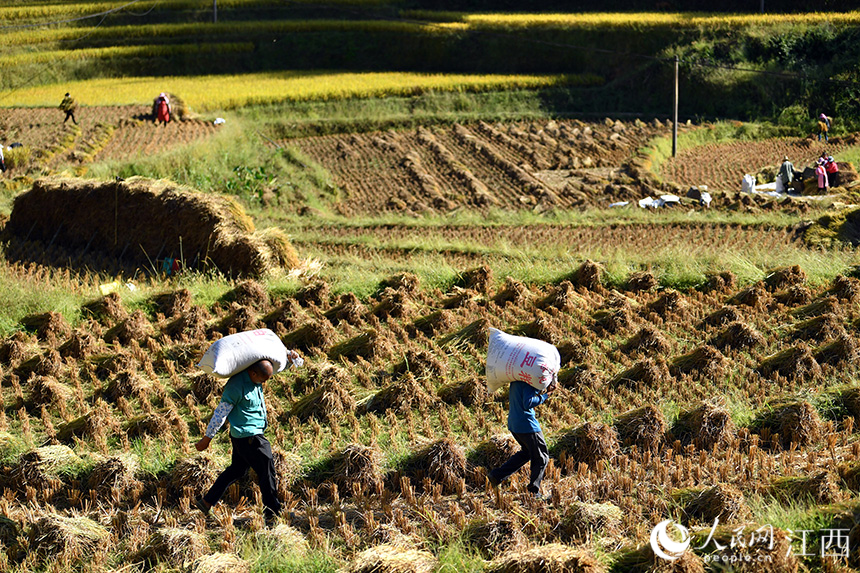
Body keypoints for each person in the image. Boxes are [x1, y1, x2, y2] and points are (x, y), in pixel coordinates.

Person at [195, 358, 287, 525]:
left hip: (244, 436)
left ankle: (207, 502)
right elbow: (220, 414)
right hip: (249, 437)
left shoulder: (256, 376)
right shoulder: (235, 387)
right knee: (267, 471)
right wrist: (207, 438)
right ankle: (273, 513)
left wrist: (290, 358)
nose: (265, 383)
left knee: (237, 470)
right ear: (253, 373)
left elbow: (272, 368)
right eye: (263, 379)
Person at [488, 378, 556, 500]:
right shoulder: (529, 380)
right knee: (542, 457)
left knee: (527, 453)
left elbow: (523, 396)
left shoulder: (517, 380)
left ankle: (497, 475)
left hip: (515, 424)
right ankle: (533, 492)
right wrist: (546, 395)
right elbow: (528, 402)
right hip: (527, 425)